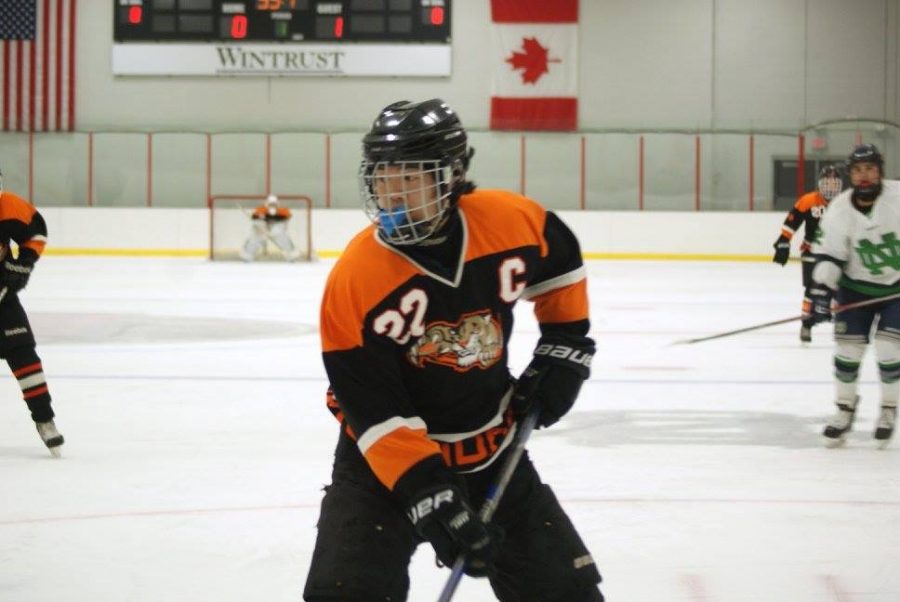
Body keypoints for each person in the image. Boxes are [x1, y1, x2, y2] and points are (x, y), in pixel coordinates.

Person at [303, 99, 603, 601]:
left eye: (410, 178)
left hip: (493, 452)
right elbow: (372, 409)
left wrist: (563, 347)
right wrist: (426, 491)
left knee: (566, 595)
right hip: (378, 467)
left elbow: (562, 264)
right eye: (382, 178)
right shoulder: (356, 278)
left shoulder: (508, 222)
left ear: (452, 175)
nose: (391, 195)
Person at [809, 143, 897, 449]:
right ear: (851, 174)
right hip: (855, 290)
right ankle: (844, 410)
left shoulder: (898, 198)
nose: (864, 176)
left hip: (896, 291)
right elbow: (830, 256)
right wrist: (822, 294)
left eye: (870, 169)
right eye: (858, 170)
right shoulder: (840, 209)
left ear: (880, 172)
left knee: (889, 350)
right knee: (847, 355)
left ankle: (888, 409)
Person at [0, 167, 64, 457]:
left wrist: (24, 263)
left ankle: (44, 419)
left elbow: (36, 230)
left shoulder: (8, 205)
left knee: (24, 354)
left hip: (3, 300)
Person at [772, 164, 843, 342]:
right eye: (827, 183)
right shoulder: (808, 200)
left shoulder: (844, 203)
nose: (830, 188)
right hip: (811, 251)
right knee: (812, 290)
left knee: (840, 290)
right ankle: (806, 324)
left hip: (837, 254)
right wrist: (783, 241)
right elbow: (792, 221)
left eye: (834, 184)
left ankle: (842, 321)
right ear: (820, 184)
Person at [238, 194, 300, 262]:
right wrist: (261, 225)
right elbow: (256, 219)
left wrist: (272, 222)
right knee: (256, 236)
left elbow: (285, 220)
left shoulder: (284, 210)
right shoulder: (260, 209)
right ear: (267, 203)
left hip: (277, 230)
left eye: (274, 203)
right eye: (270, 203)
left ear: (277, 203)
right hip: (262, 230)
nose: (272, 205)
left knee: (281, 236)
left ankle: (291, 256)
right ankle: (247, 255)